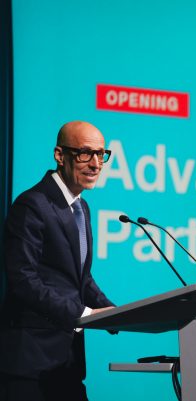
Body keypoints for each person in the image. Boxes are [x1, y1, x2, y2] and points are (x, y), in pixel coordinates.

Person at [0, 121, 116, 401]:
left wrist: (114, 312)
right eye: (85, 153)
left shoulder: (81, 207)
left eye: (101, 154)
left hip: (67, 366)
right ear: (60, 155)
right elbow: (23, 280)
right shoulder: (32, 204)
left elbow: (81, 279)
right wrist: (83, 313)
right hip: (31, 364)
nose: (96, 164)